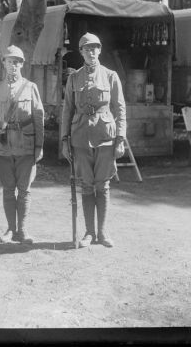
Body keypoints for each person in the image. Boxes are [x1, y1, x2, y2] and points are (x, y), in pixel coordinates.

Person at [60, 32, 126, 248]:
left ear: (100, 50)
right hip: (80, 137)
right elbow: (67, 110)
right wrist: (64, 140)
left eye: (95, 48)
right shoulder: (73, 78)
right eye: (87, 49)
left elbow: (120, 108)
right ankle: (89, 232)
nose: (91, 52)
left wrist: (120, 138)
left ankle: (103, 232)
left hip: (105, 136)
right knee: (87, 185)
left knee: (103, 185)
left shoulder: (110, 76)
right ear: (81, 52)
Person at [0, 45, 44, 244]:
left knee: (24, 189)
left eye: (17, 62)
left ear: (22, 64)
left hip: (26, 145)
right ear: (4, 63)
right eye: (10, 61)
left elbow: (39, 118)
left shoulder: (30, 87)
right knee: (8, 189)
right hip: (3, 146)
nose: (13, 65)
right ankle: (10, 229)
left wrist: (39, 146)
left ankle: (23, 230)